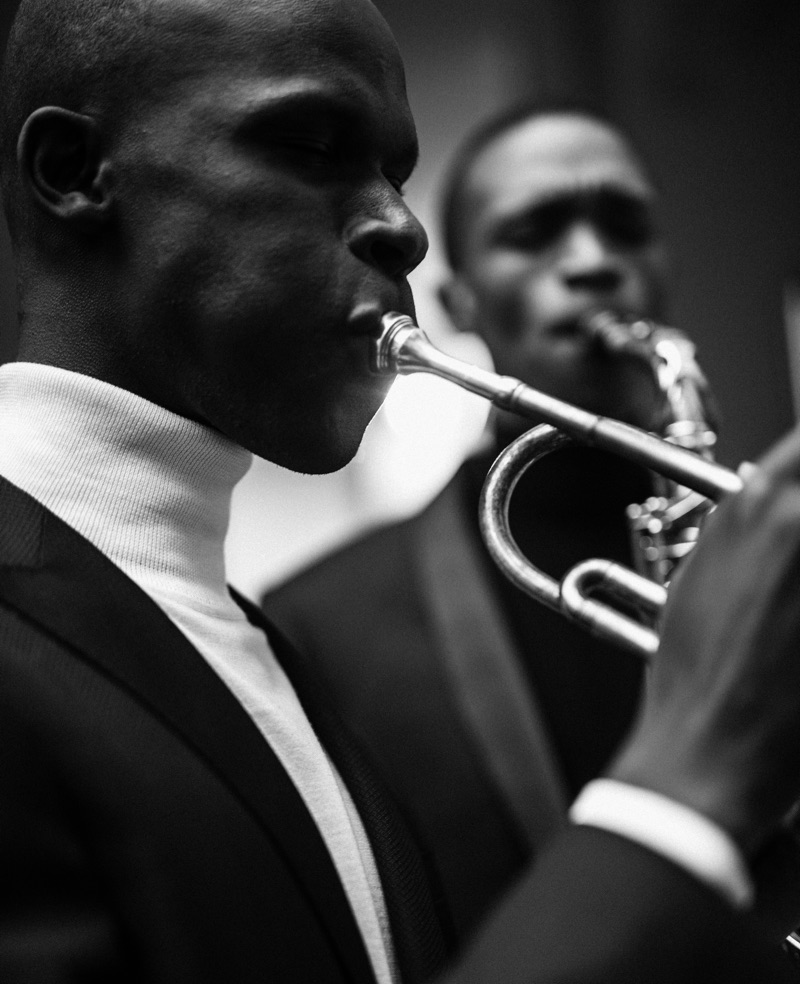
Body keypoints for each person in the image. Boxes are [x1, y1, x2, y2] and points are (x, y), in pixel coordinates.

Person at [1, 1, 800, 982]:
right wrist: (681, 792)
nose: (402, 228)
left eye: (395, 174)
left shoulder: (245, 641)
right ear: (73, 174)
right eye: (310, 142)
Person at [261, 104, 685, 937]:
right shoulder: (317, 621)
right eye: (536, 232)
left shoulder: (768, 544)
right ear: (460, 302)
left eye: (626, 226)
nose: (595, 262)